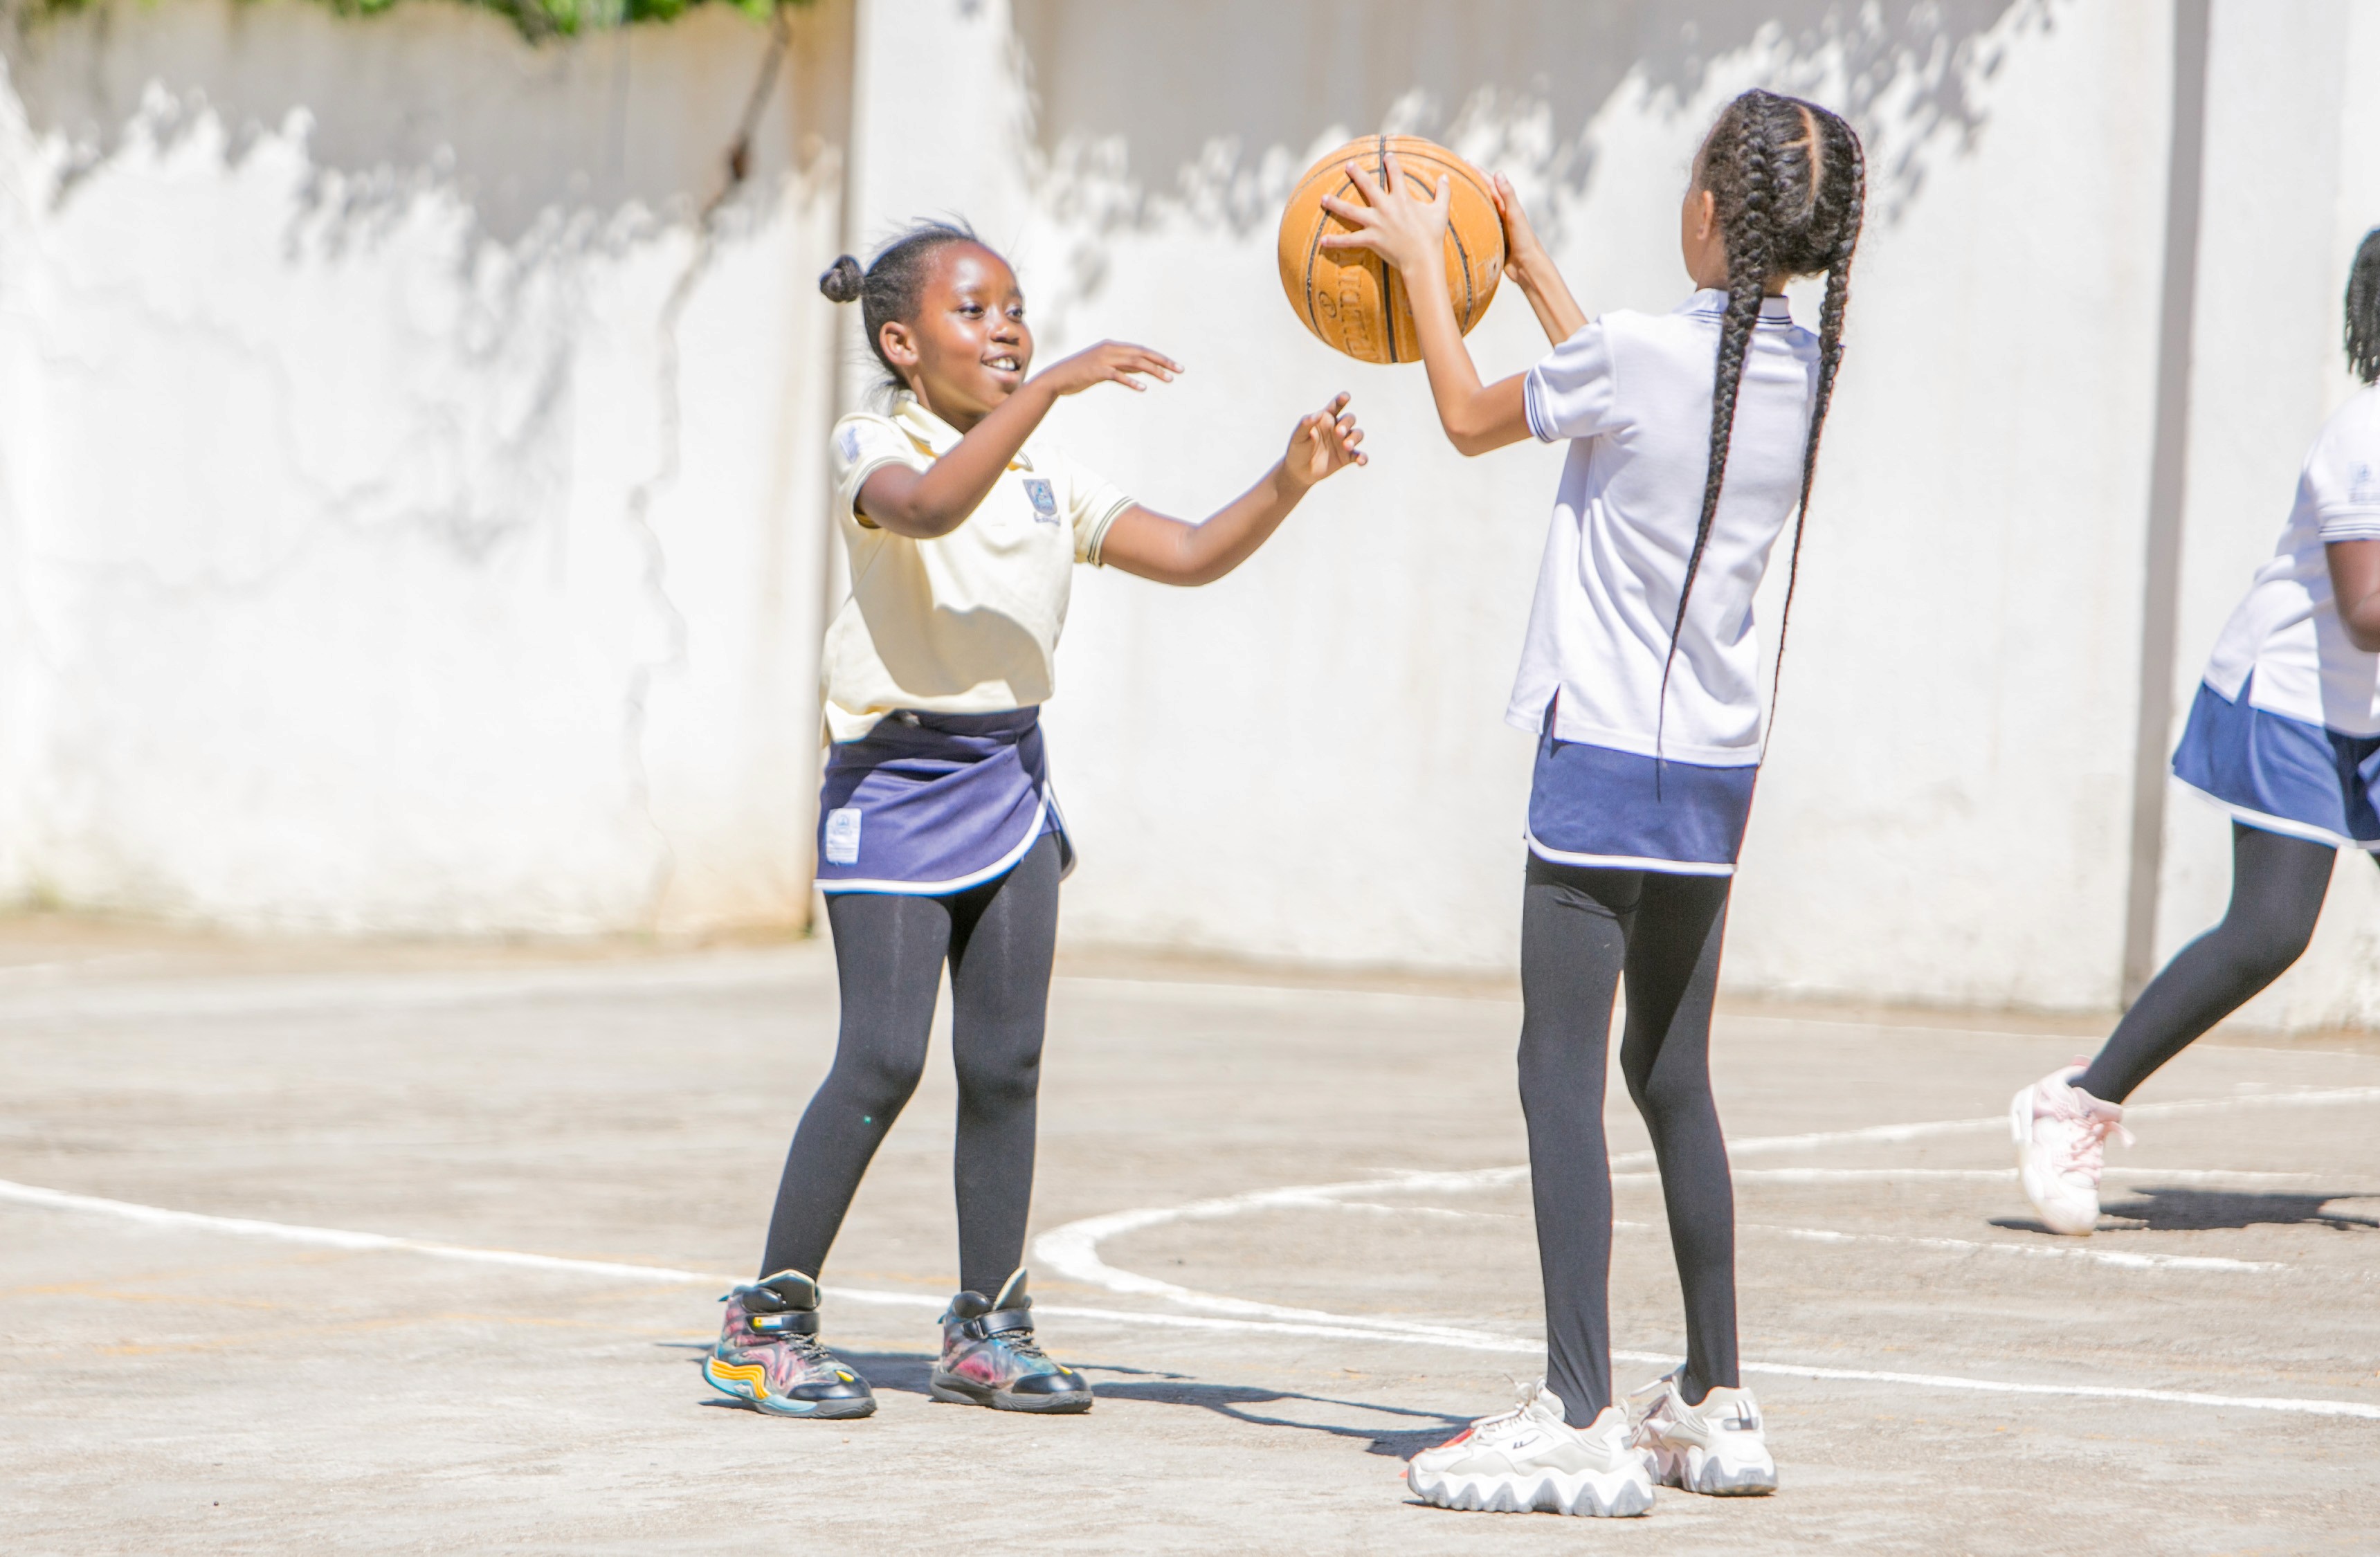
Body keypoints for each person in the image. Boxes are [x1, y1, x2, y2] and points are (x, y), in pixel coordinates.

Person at [705, 222, 1366, 1420]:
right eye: (976, 310)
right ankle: (765, 1323)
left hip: (1010, 786)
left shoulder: (1050, 479)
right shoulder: (877, 443)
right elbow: (925, 511)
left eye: (1017, 307)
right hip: (895, 784)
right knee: (883, 1057)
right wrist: (1056, 387)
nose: (1009, 327)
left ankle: (987, 1325)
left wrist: (1290, 478)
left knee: (1004, 1066)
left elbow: (1191, 550)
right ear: (902, 343)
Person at [1319, 90, 1862, 1515]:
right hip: (1715, 770)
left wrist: (1432, 262)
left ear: (1707, 213)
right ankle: (1718, 1398)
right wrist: (1535, 260)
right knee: (1671, 1075)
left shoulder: (1639, 354)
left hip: (1602, 756)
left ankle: (1574, 1409)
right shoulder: (1796, 365)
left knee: (1556, 1070)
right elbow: (1616, 372)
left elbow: (1459, 414)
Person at [2013, 228, 2380, 1237]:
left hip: (2367, 714)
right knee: (2270, 930)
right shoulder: (2365, 437)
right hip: (2290, 700)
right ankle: (2072, 1105)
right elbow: (2365, 609)